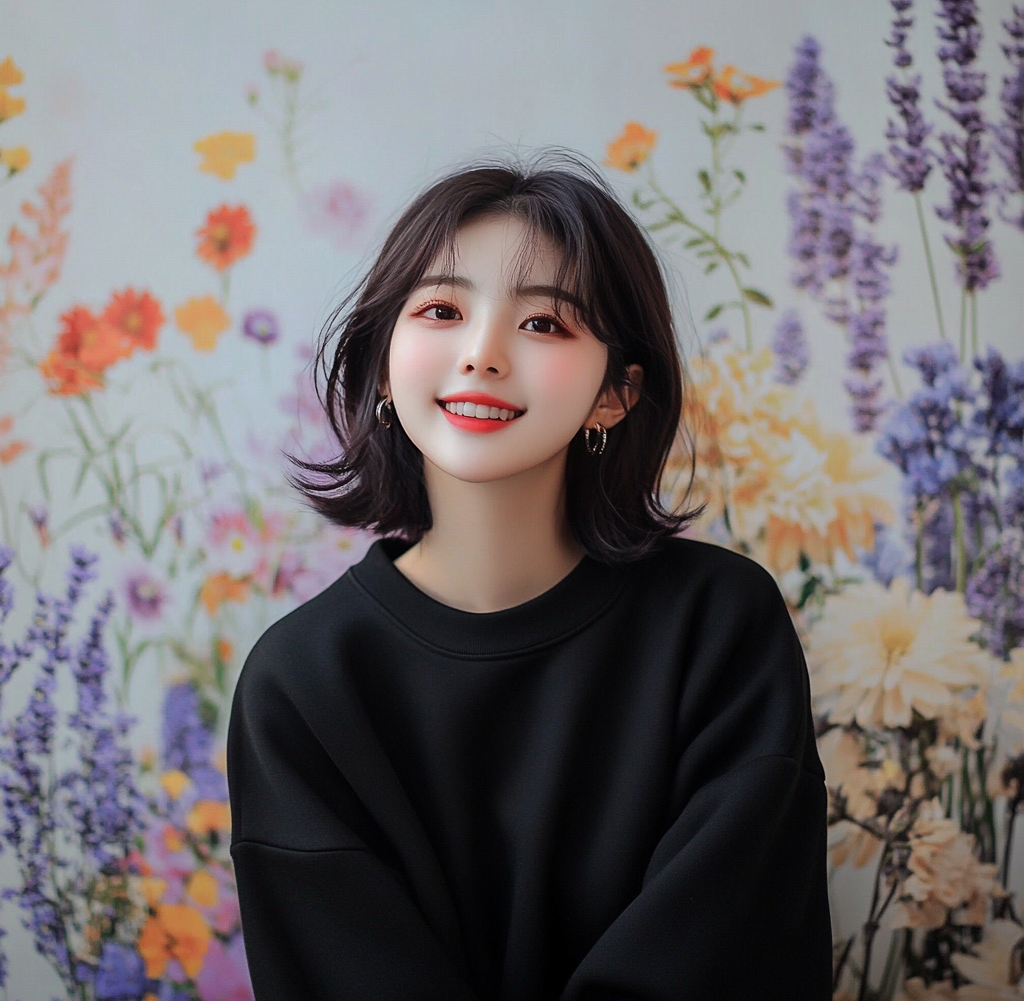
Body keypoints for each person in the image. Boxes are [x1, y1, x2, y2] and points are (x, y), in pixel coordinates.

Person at [227, 152, 832, 1001]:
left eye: (544, 324)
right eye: (441, 309)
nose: (481, 354)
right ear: (383, 366)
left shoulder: (721, 626)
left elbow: (735, 948)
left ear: (615, 395)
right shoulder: (300, 682)